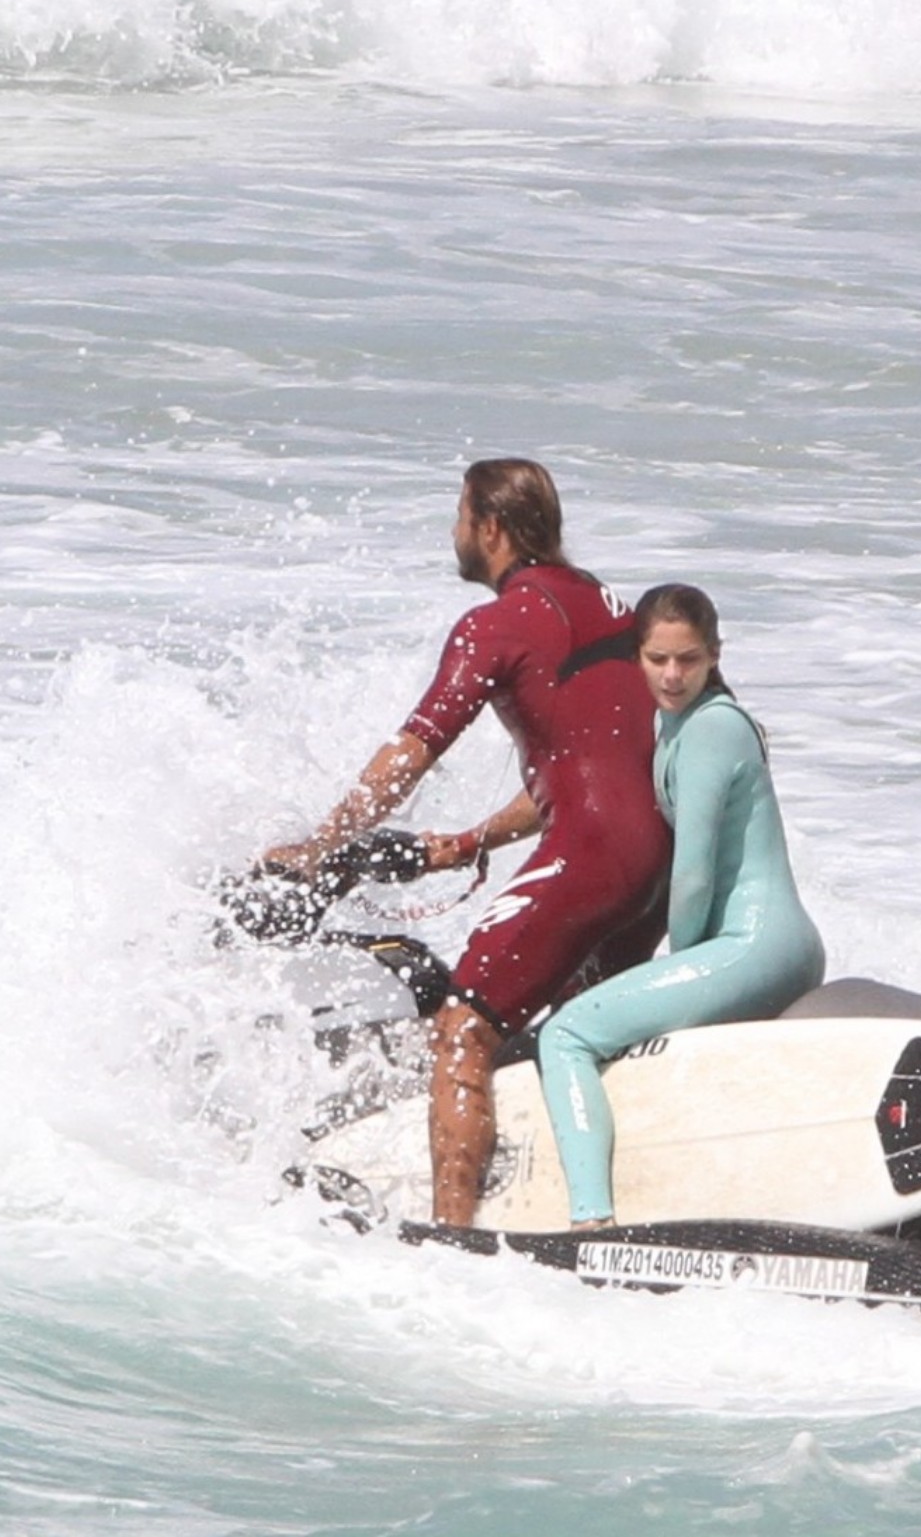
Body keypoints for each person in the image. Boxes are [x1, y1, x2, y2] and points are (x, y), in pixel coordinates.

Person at [259, 459, 670, 1225]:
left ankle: (453, 1238)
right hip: (660, 867)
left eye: (460, 516)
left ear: (491, 527)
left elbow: (413, 750)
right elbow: (599, 773)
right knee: (574, 1034)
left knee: (463, 1027)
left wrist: (321, 844)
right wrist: (470, 840)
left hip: (591, 862)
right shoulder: (620, 611)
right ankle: (589, 1203)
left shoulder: (498, 623)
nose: (454, 533)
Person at [537, 583, 826, 1228]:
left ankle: (590, 1220)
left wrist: (680, 966)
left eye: (689, 659)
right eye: (658, 659)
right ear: (636, 657)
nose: (672, 675)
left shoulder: (712, 728)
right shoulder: (678, 724)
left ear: (715, 655)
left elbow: (693, 874)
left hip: (753, 945)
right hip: (771, 946)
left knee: (566, 1035)